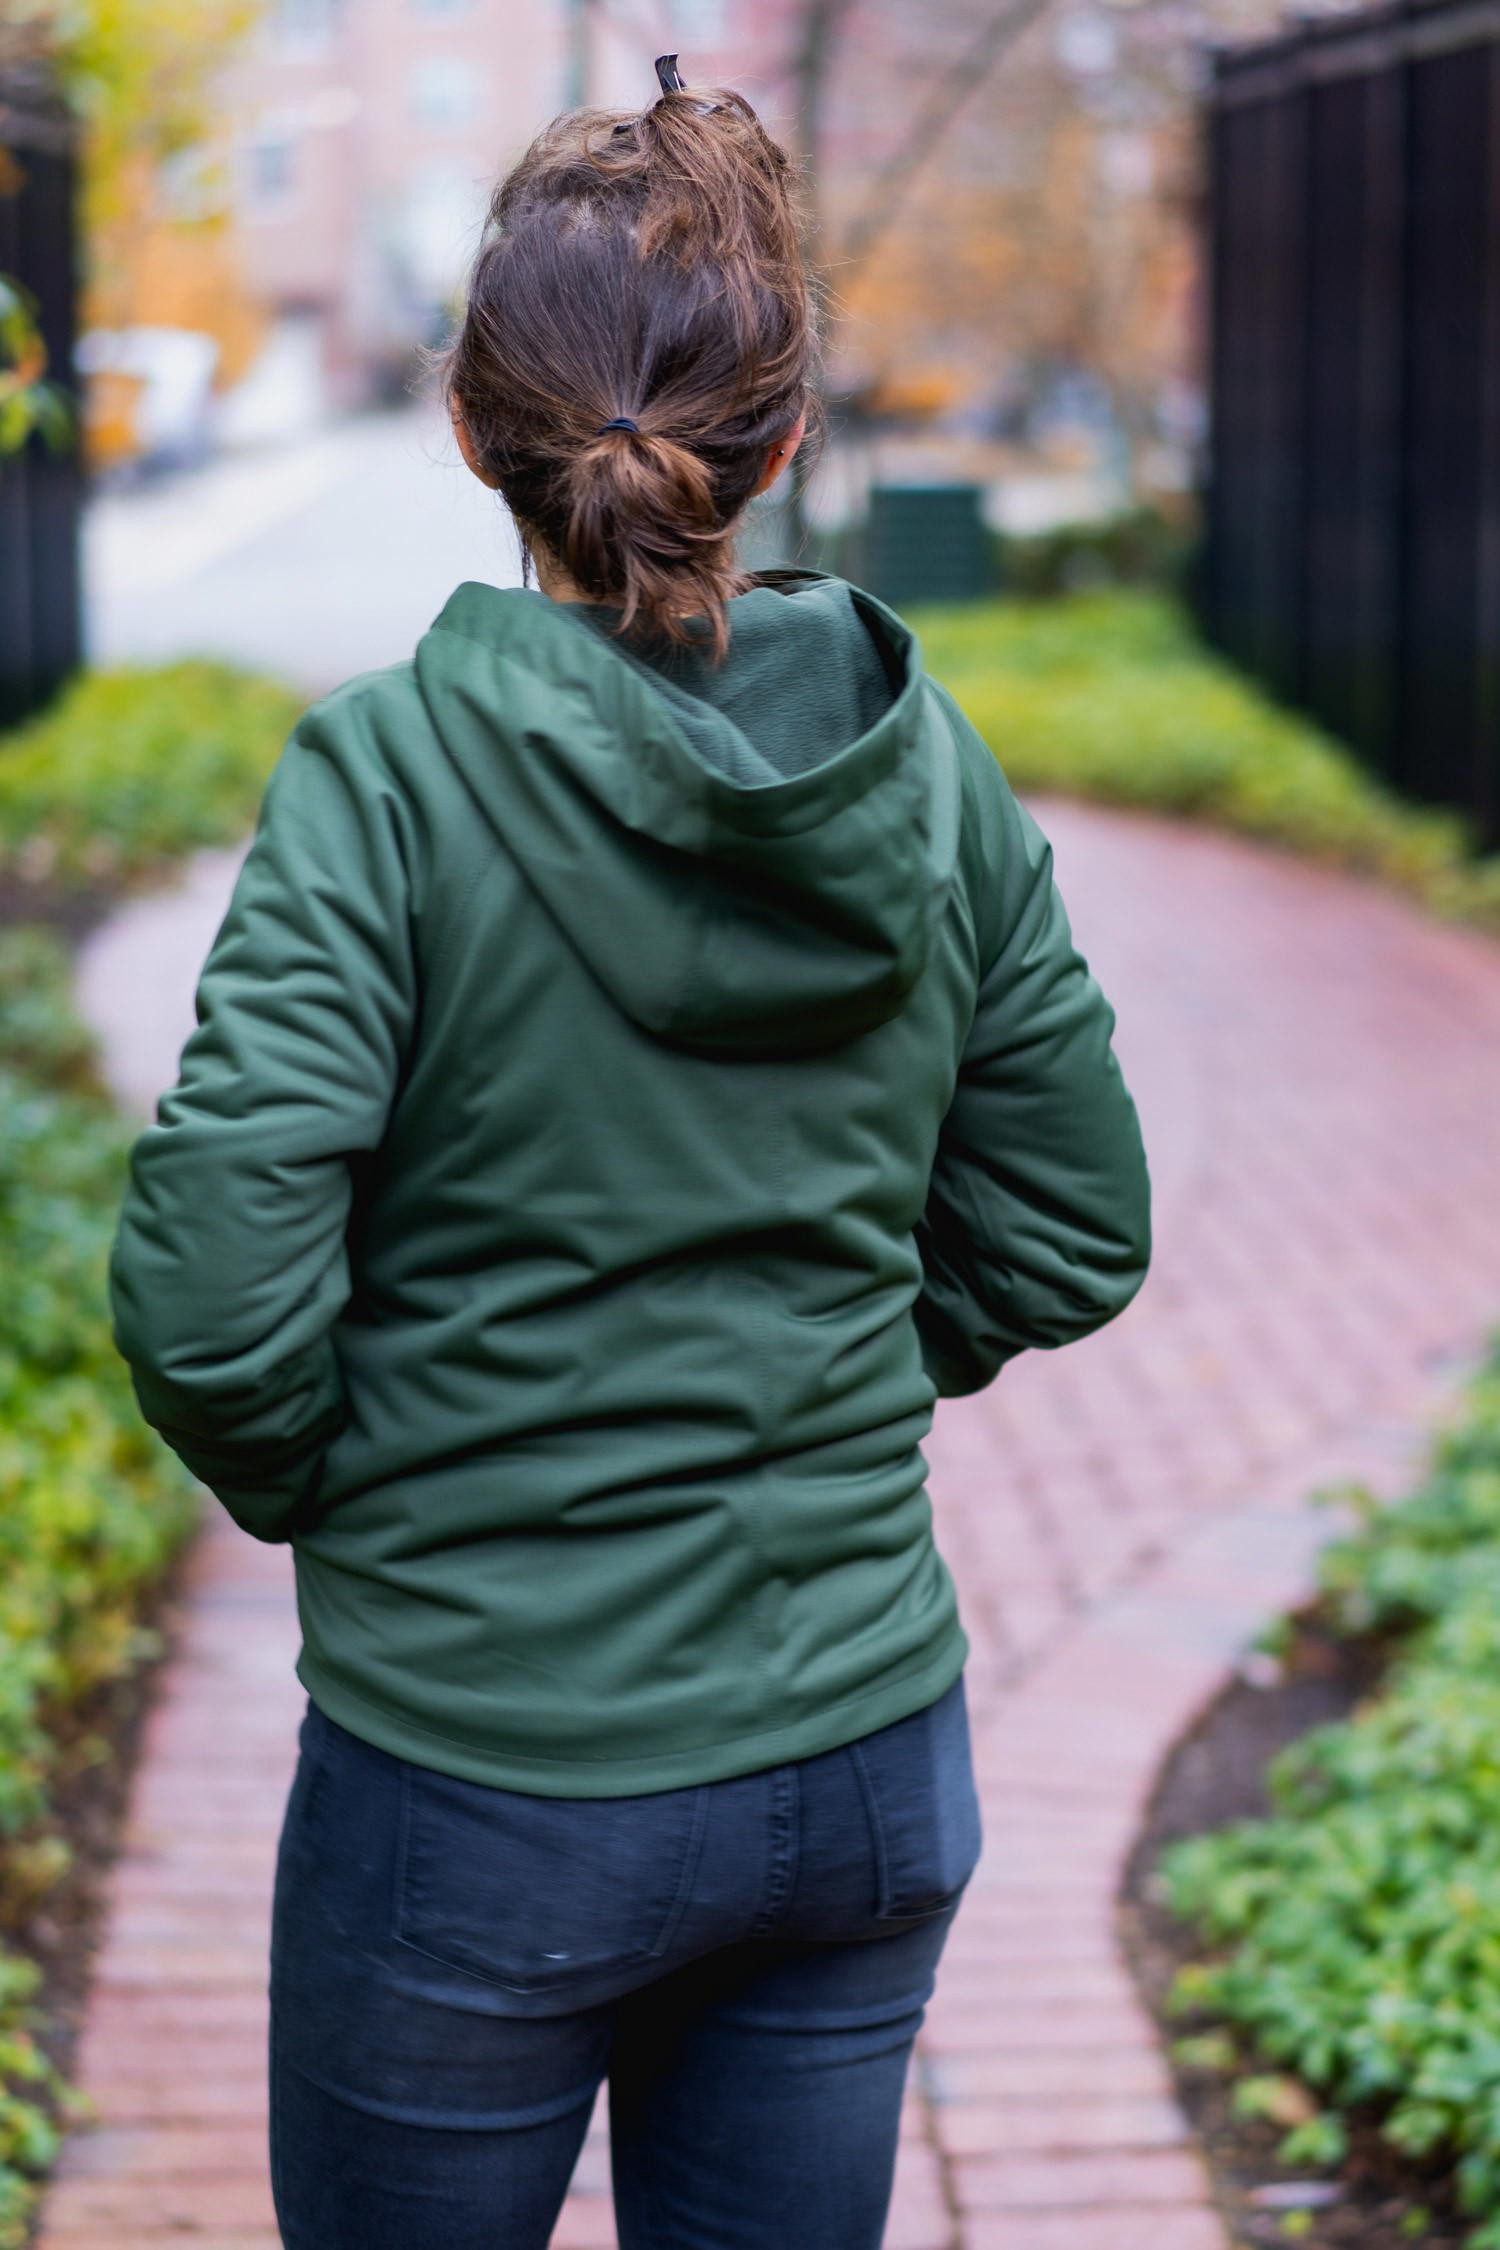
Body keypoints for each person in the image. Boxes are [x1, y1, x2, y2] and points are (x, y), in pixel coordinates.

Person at [108, 66, 1152, 2250]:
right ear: (783, 439)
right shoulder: (925, 769)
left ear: (471, 427)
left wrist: (362, 1481)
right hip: (862, 1764)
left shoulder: (385, 783)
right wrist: (843, 1372)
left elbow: (219, 1290)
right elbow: (1070, 1223)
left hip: (476, 1773)